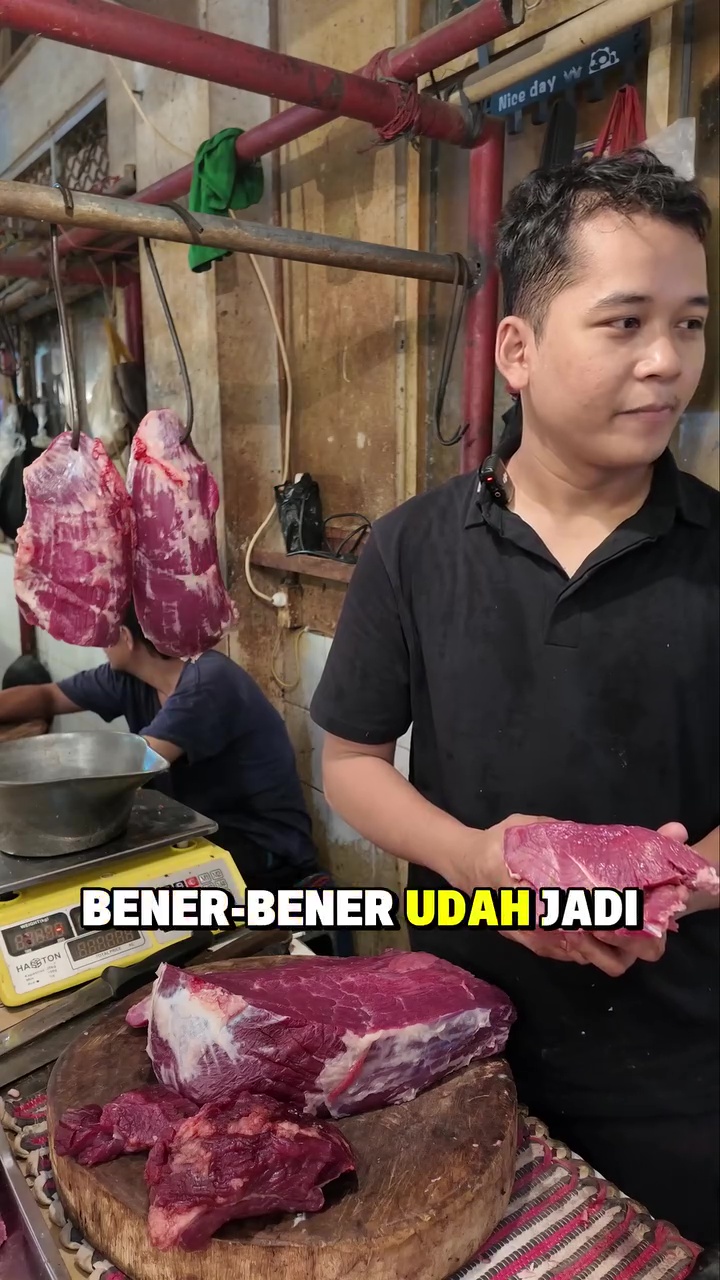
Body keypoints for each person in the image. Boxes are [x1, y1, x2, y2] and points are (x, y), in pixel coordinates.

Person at [309, 151, 719, 1245]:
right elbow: (349, 758)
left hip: (677, 1072)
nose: (667, 362)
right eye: (626, 322)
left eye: (690, 323)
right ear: (520, 350)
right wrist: (478, 860)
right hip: (449, 1038)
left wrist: (675, 887)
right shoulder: (410, 549)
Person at [0, 604, 320, 891]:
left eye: (104, 635)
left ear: (126, 638)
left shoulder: (209, 683)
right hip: (199, 827)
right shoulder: (129, 677)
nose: (100, 646)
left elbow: (135, 762)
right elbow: (48, 696)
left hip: (266, 848)